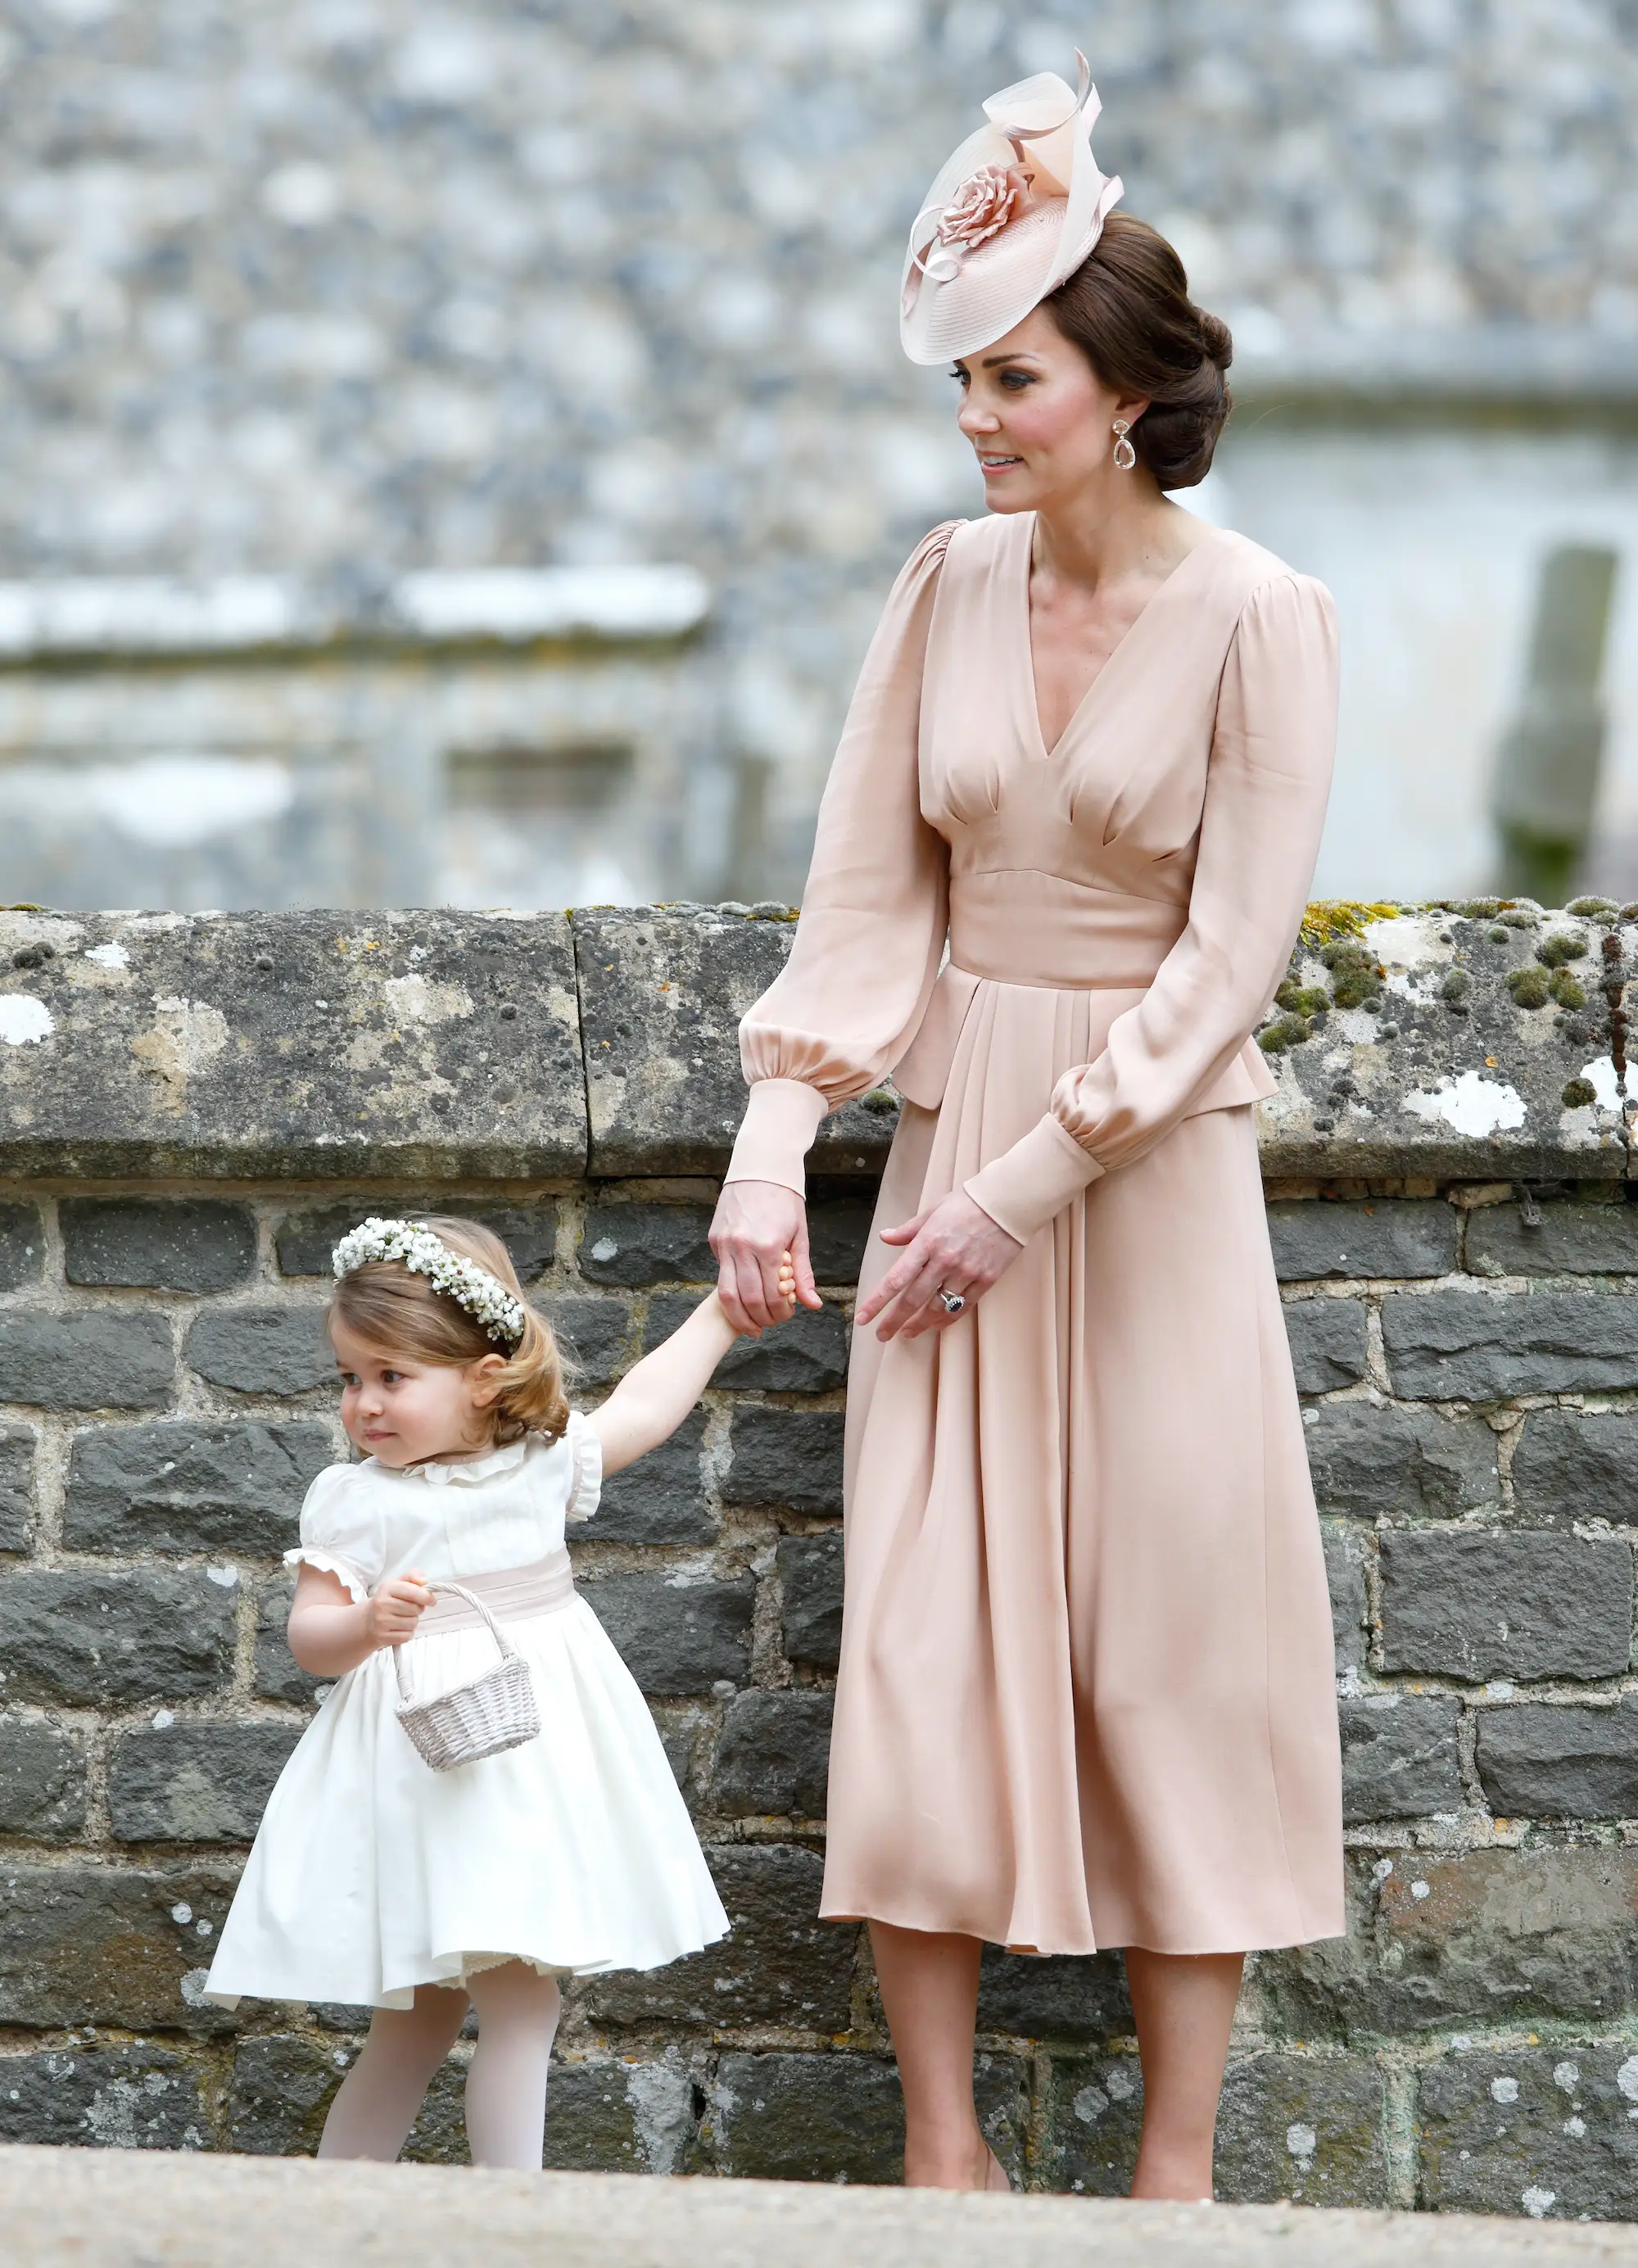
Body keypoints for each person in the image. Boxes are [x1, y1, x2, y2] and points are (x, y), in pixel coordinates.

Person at [709, 56, 1345, 2202]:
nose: (979, 417)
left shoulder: (1267, 618)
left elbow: (1230, 956)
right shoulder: (941, 588)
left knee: (1182, 1625)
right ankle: (944, 2157)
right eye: (970, 377)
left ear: (1130, 392)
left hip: (1144, 1177)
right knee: (927, 1621)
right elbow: (867, 894)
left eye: (1016, 378)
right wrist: (773, 1142)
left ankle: (1177, 2180)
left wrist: (1022, 1180)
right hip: (953, 1111)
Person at [206, 1214, 795, 2169]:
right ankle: (394, 2217)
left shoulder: (540, 1464)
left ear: (482, 1377)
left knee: (520, 2001)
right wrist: (365, 1626)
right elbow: (311, 1639)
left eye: (392, 1378)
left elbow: (646, 1405)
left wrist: (724, 1313)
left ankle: (478, 2213)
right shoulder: (354, 1498)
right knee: (422, 2020)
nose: (364, 1405)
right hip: (415, 1775)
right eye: (352, 1379)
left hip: (527, 1762)